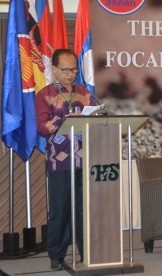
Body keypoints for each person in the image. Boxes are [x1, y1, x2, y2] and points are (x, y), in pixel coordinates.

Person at [35, 49, 95, 270]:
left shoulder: (85, 93)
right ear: (54, 70)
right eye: (66, 70)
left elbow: (96, 117)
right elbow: (42, 127)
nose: (71, 74)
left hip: (85, 159)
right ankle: (56, 255)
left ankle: (86, 252)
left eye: (74, 70)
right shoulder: (45, 95)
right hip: (59, 161)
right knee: (60, 209)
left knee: (83, 209)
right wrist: (64, 120)